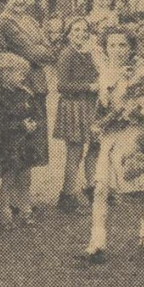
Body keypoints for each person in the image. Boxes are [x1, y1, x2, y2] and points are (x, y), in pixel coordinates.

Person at [82, 28, 144, 263]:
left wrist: (140, 106)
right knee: (101, 188)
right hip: (111, 136)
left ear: (131, 48)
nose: (117, 50)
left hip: (135, 134)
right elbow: (102, 106)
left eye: (122, 45)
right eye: (112, 45)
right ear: (106, 48)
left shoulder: (142, 73)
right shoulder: (104, 73)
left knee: (136, 190)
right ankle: (97, 242)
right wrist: (102, 119)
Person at [0, 0, 56, 172]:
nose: (20, 0)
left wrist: (40, 51)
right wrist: (39, 50)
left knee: (34, 141)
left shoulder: (30, 20)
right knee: (21, 138)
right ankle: (15, 197)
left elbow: (49, 52)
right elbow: (33, 52)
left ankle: (25, 197)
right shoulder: (6, 21)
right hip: (21, 83)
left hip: (38, 83)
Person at [0, 53, 45, 227]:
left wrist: (34, 123)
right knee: (9, 178)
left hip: (25, 143)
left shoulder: (25, 93)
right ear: (6, 74)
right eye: (19, 73)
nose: (23, 77)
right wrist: (21, 126)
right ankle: (5, 212)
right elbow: (0, 123)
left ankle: (25, 209)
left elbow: (36, 113)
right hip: (9, 144)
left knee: (25, 177)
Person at [53, 18, 101, 212]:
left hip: (90, 105)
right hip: (73, 106)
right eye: (76, 30)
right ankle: (67, 196)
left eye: (84, 30)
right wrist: (89, 87)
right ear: (69, 34)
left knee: (96, 146)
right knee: (75, 152)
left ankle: (91, 187)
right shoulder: (67, 54)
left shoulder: (90, 53)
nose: (81, 33)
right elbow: (62, 85)